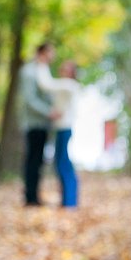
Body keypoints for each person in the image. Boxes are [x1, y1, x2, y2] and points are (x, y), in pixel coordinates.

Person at [18, 43, 59, 206]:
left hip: (42, 124)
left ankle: (34, 195)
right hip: (34, 123)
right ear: (42, 53)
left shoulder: (43, 71)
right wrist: (49, 112)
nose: (52, 57)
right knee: (33, 161)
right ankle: (31, 198)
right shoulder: (29, 72)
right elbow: (30, 100)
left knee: (38, 160)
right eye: (50, 53)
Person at [38, 60, 81, 209]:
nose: (62, 71)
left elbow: (46, 84)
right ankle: (67, 200)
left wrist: (41, 64)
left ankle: (70, 201)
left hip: (64, 129)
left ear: (72, 72)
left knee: (63, 164)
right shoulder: (66, 86)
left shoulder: (68, 85)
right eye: (62, 68)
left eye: (66, 69)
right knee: (60, 163)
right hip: (61, 128)